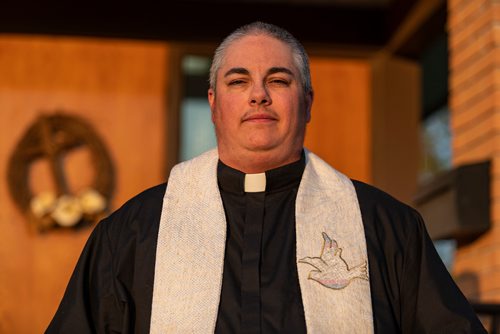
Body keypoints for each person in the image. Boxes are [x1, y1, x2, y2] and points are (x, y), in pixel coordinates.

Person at [47, 22, 486, 333]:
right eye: (239, 82)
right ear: (214, 103)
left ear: (308, 102)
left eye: (278, 79)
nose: (259, 94)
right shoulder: (134, 232)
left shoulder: (389, 229)